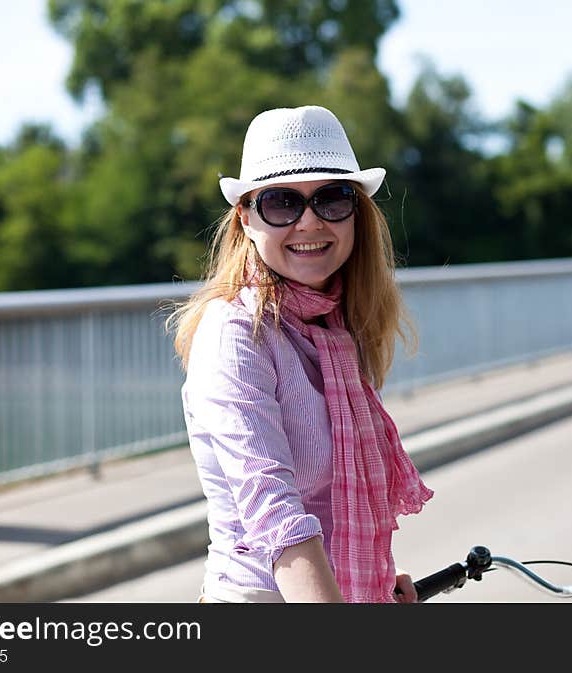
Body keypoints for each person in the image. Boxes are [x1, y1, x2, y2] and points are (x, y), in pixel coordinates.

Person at [168, 105, 433, 603]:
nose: (309, 222)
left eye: (332, 198)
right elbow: (275, 512)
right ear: (246, 217)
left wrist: (373, 587)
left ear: (357, 213)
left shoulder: (336, 327)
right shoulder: (235, 332)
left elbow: (336, 503)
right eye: (282, 202)